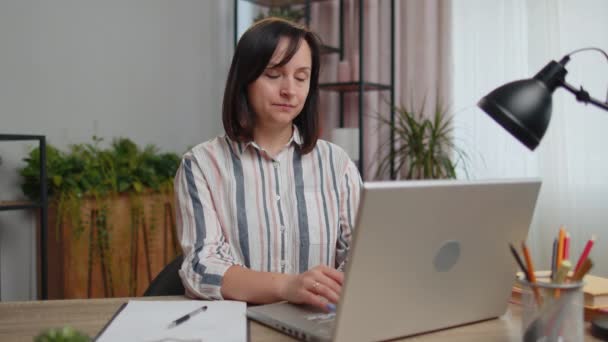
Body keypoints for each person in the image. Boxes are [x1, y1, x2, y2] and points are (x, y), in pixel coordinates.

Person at [174, 17, 361, 312]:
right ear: (244, 80)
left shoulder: (337, 164)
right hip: (239, 321)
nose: (290, 90)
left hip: (319, 320)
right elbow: (201, 267)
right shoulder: (202, 165)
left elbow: (361, 254)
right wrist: (288, 286)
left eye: (301, 77)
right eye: (274, 74)